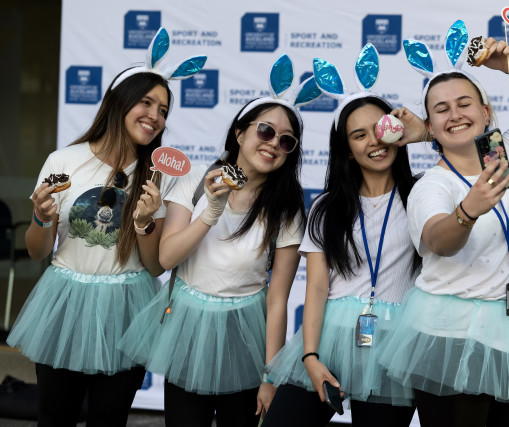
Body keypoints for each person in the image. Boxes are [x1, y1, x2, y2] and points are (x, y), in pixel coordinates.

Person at [378, 21, 509, 427]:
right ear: (430, 127)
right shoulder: (432, 184)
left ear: (486, 112)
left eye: (465, 103)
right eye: (441, 109)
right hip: (450, 338)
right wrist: (467, 211)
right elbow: (439, 240)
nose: (455, 114)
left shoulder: (508, 153)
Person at [6, 28, 205, 426]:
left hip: (127, 308)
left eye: (164, 110)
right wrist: (42, 216)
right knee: (54, 416)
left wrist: (145, 222)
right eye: (146, 102)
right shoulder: (64, 161)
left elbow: (155, 266)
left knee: (110, 419)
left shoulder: (159, 175)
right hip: (64, 301)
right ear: (119, 101)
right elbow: (38, 250)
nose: (155, 116)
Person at [118, 54, 319, 427]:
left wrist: (270, 375)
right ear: (240, 133)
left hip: (245, 335)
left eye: (287, 140)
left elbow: (277, 300)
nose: (274, 143)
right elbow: (166, 258)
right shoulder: (195, 179)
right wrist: (211, 210)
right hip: (187, 326)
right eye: (265, 131)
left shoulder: (286, 208)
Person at [262, 47, 419, 427]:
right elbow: (317, 288)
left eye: (380, 128)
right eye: (359, 135)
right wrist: (310, 357)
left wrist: (425, 133)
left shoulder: (424, 194)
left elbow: (471, 160)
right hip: (329, 338)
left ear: (396, 131)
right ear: (347, 150)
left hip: (395, 344)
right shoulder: (326, 207)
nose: (374, 142)